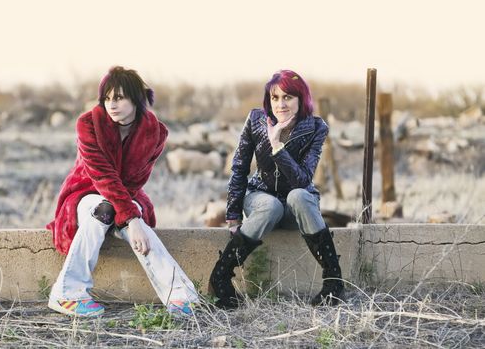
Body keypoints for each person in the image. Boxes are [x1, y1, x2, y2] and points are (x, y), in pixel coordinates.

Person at [46, 66, 198, 317]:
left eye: (119, 97)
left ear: (136, 99)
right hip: (84, 194)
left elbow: (136, 180)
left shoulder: (155, 133)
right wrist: (132, 218)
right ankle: (66, 293)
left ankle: (180, 296)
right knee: (105, 208)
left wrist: (131, 217)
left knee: (129, 218)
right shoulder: (88, 124)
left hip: (126, 196)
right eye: (107, 98)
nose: (111, 104)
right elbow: (102, 176)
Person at [209, 70, 344, 308]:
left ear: (301, 99)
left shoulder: (315, 127)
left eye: (288, 97)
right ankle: (220, 278)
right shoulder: (255, 120)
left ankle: (333, 283)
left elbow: (303, 180)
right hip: (261, 201)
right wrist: (232, 216)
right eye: (275, 98)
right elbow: (239, 168)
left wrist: (276, 145)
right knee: (271, 205)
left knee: (299, 195)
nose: (281, 104)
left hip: (297, 209)